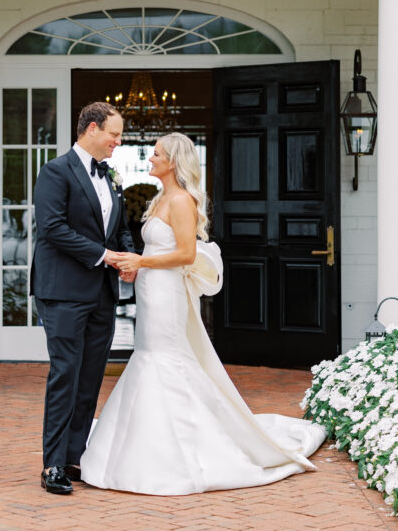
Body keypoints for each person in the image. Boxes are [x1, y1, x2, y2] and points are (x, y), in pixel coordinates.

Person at [80, 132, 326, 495]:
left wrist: (142, 260)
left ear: (174, 162)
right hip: (150, 289)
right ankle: (140, 441)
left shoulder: (181, 200)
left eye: (157, 154)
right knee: (148, 355)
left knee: (165, 359)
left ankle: (182, 449)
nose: (151, 158)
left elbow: (186, 255)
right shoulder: (161, 197)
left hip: (168, 294)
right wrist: (138, 268)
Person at [32, 101, 137, 495]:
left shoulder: (110, 175)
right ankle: (53, 465)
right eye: (114, 133)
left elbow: (120, 227)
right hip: (63, 292)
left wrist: (127, 258)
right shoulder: (55, 171)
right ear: (91, 129)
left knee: (91, 376)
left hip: (101, 294)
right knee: (66, 374)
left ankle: (75, 456)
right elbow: (53, 229)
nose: (118, 141)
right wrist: (105, 255)